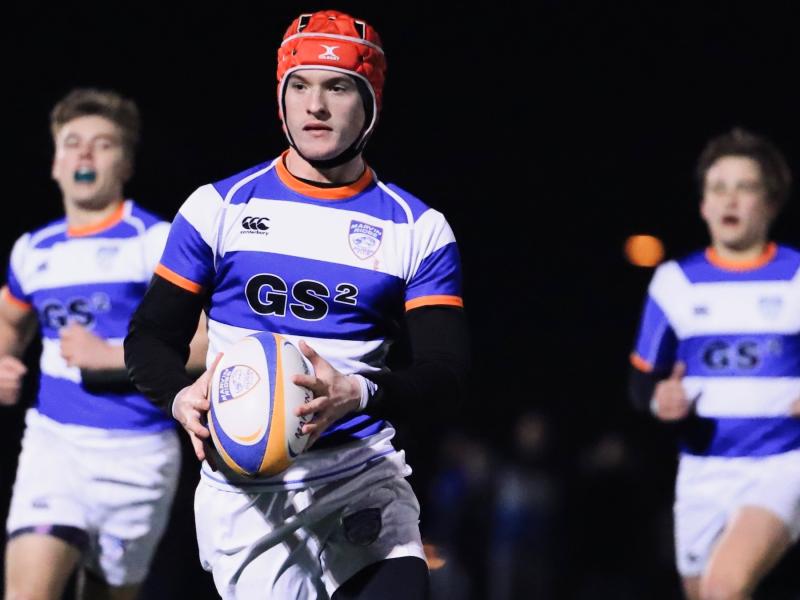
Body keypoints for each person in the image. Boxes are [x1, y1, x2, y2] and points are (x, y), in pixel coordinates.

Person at [124, 9, 469, 599]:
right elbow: (150, 338)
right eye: (301, 86)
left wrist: (357, 392)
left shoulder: (418, 228)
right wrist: (178, 396)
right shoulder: (217, 208)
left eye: (338, 87)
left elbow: (446, 371)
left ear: (371, 105)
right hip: (247, 498)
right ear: (281, 99)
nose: (316, 106)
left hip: (360, 476)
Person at [1, 88, 206, 600]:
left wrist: (112, 357)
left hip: (139, 457)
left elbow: (209, 342)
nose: (85, 154)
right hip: (56, 447)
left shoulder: (154, 242)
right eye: (72, 143)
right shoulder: (32, 251)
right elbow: (9, 324)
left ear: (127, 163)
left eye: (102, 144)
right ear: (54, 163)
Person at [630, 128, 800, 599]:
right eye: (718, 188)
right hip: (703, 472)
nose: (731, 200)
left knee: (725, 587)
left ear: (770, 202)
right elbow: (641, 382)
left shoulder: (796, 276)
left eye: (745, 188)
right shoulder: (674, 283)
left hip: (782, 464)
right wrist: (658, 401)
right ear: (703, 204)